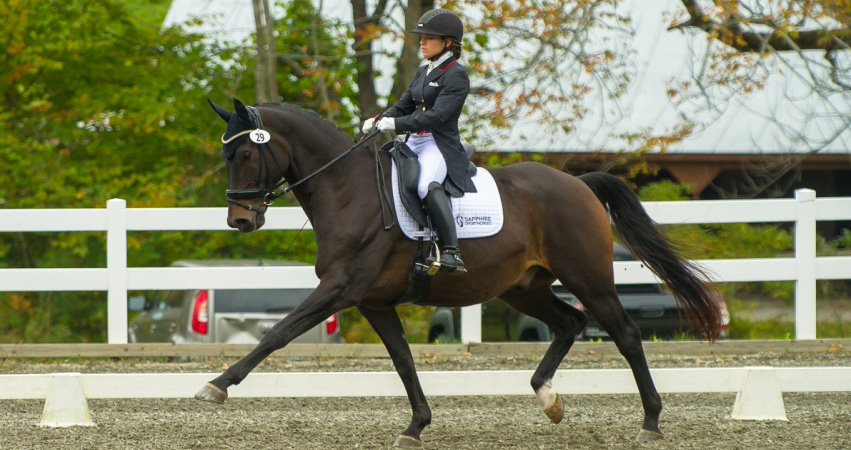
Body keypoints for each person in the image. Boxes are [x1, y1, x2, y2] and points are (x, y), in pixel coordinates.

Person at [362, 9, 474, 275]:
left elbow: (437, 117)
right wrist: (379, 119)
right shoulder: (423, 71)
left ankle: (450, 252)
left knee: (426, 185)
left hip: (438, 144)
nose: (422, 41)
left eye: (429, 37)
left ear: (448, 42)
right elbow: (402, 106)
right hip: (413, 142)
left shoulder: (456, 75)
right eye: (422, 37)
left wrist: (396, 125)